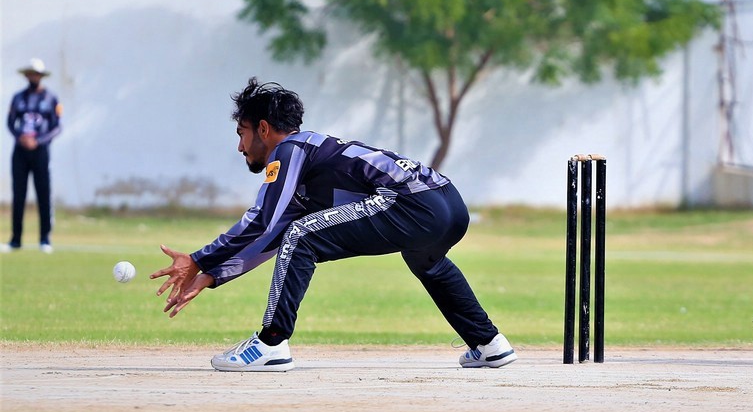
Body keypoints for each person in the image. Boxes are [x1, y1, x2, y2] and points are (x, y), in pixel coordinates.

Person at [151, 78, 516, 371]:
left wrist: (197, 259)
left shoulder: (290, 150)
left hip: (412, 203)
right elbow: (273, 235)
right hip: (449, 201)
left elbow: (262, 221)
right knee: (426, 261)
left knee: (302, 235)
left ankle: (271, 343)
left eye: (241, 133)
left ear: (263, 128)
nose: (240, 147)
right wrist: (213, 275)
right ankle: (488, 343)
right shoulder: (310, 161)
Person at [5, 58, 62, 254]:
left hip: (40, 151)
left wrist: (38, 141)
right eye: (30, 73)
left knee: (43, 194)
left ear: (41, 76)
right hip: (20, 152)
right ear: (26, 75)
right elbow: (10, 122)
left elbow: (57, 127)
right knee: (18, 194)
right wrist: (20, 137)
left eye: (36, 74)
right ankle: (15, 240)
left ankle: (45, 239)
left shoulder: (51, 98)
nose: (33, 77)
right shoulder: (18, 98)